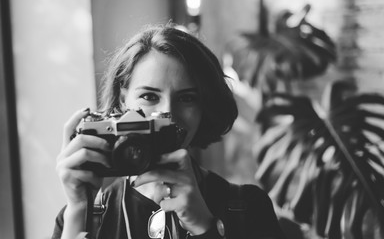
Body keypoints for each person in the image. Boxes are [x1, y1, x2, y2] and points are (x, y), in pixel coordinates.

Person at [52, 23, 285, 239]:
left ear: (204, 106)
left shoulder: (248, 206)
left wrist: (204, 226)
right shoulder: (80, 215)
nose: (167, 114)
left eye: (187, 98)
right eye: (149, 97)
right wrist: (78, 210)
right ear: (123, 101)